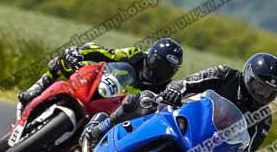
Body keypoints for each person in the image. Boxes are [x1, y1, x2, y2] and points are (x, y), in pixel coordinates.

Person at [76, 53, 277, 152]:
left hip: (209, 148)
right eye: (259, 86)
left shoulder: (263, 119)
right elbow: (190, 82)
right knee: (143, 100)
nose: (262, 93)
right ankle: (102, 126)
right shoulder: (225, 74)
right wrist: (178, 89)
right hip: (183, 115)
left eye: (268, 91)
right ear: (248, 76)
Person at [16, 38, 184, 111]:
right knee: (64, 61)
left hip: (114, 111)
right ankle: (36, 89)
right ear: (152, 57)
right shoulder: (135, 55)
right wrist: (80, 52)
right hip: (103, 85)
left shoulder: (165, 88)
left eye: (168, 69)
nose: (162, 72)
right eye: (160, 65)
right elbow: (107, 53)